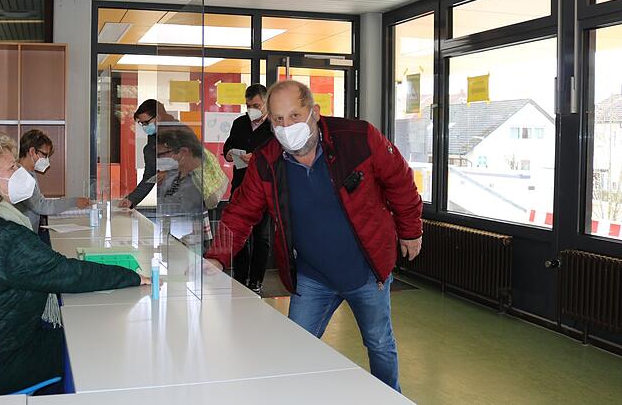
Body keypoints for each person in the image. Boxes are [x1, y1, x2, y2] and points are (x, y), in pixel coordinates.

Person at [205, 80, 423, 392]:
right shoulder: (267, 161)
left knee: (379, 344)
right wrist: (217, 255)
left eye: (294, 116)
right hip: (312, 276)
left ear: (315, 112)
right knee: (295, 348)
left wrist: (411, 229)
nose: (286, 126)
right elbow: (240, 212)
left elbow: (400, 181)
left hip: (366, 270)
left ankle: (391, 396)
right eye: (278, 119)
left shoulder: (358, 139)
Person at [0, 134, 149, 397]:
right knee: (88, 336)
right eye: (12, 167)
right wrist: (131, 276)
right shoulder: (7, 237)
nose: (20, 172)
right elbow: (69, 274)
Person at [222, 83, 273, 294]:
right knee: (238, 235)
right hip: (241, 186)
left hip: (263, 189)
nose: (251, 109)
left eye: (255, 105)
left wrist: (257, 158)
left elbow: (279, 156)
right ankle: (240, 279)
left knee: (261, 237)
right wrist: (230, 154)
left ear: (265, 104)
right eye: (248, 105)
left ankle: (256, 281)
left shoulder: (274, 126)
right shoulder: (240, 123)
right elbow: (228, 146)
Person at [16, 129, 90, 244]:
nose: (47, 160)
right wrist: (74, 202)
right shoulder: (20, 176)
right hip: (23, 238)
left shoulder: (29, 173)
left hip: (30, 233)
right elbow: (41, 206)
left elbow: (39, 201)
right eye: (44, 155)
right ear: (31, 151)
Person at [118, 99, 177, 209]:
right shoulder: (151, 147)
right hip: (168, 203)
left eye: (146, 122)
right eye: (141, 123)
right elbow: (150, 176)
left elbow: (196, 167)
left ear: (159, 117)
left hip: (191, 200)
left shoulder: (181, 134)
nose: (144, 127)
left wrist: (168, 174)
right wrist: (131, 199)